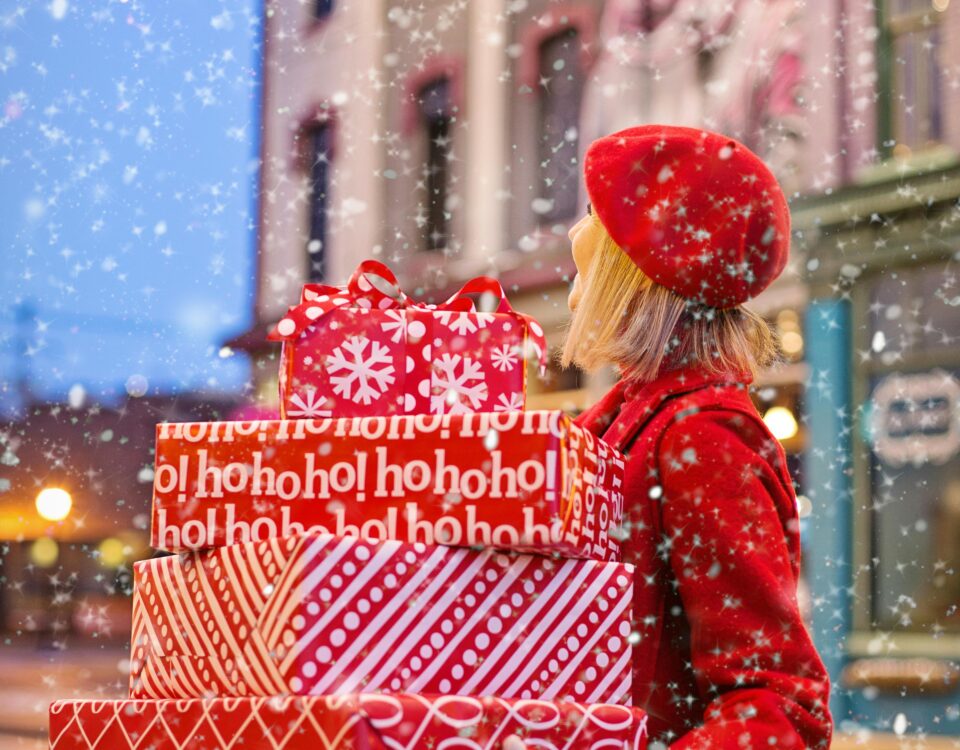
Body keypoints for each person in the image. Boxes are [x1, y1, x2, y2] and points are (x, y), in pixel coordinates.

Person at [564, 124, 833, 748]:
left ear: (635, 279)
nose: (574, 299)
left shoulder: (700, 439)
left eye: (587, 272)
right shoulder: (628, 427)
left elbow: (777, 702)